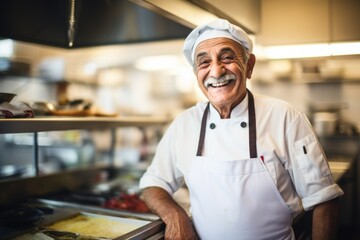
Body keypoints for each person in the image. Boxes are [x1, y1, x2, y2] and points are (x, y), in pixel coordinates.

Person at [139, 18, 344, 240]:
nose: (216, 72)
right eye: (204, 62)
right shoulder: (184, 124)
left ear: (249, 65)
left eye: (227, 58)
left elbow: (324, 199)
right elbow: (153, 183)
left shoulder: (285, 117)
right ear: (196, 73)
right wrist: (175, 216)